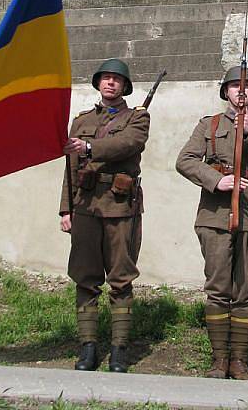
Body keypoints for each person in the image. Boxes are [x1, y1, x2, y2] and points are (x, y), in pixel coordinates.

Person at [176, 66, 248, 380]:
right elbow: (184, 160)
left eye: (247, 87)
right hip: (215, 215)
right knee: (217, 288)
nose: (241, 92)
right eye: (235, 87)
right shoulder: (208, 125)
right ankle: (218, 360)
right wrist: (216, 180)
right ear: (226, 92)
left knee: (247, 288)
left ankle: (240, 361)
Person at [59, 58, 150, 373]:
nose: (110, 83)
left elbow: (126, 144)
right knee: (84, 278)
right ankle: (87, 348)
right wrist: (65, 209)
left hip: (120, 207)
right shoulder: (80, 120)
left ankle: (119, 350)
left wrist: (87, 147)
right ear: (98, 83)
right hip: (85, 206)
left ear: (125, 86)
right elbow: (70, 169)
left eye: (117, 79)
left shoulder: (138, 118)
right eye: (106, 78)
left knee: (121, 279)